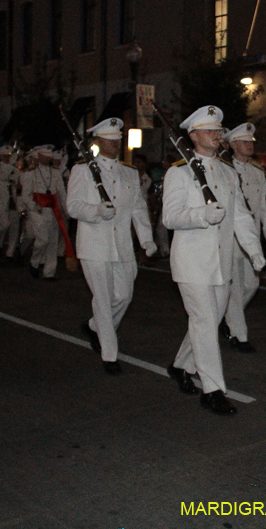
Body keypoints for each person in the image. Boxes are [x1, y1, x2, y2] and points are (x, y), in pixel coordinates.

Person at [162, 105, 265, 415]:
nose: (216, 134)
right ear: (193, 136)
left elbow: (241, 217)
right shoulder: (178, 171)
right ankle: (213, 389)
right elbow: (170, 217)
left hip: (221, 261)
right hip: (192, 262)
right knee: (206, 322)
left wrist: (254, 250)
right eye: (209, 130)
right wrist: (200, 216)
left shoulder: (226, 171)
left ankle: (180, 365)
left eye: (218, 129)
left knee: (209, 321)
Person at [67, 118, 157, 375]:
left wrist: (146, 240)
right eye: (110, 138)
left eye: (118, 138)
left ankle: (95, 326)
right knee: (104, 299)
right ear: (97, 141)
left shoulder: (129, 172)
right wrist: (96, 211)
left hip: (123, 246)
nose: (115, 143)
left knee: (124, 295)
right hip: (94, 244)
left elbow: (138, 209)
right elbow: (72, 207)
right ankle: (109, 354)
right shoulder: (83, 170)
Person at [221, 122, 266, 353]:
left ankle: (226, 317)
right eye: (244, 142)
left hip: (251, 238)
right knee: (234, 288)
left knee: (252, 283)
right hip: (231, 238)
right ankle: (239, 335)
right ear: (233, 145)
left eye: (251, 142)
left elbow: (263, 208)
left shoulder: (257, 172)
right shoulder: (223, 169)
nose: (249, 145)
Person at [21, 145, 67, 280]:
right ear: (38, 156)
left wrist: (66, 210)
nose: (47, 158)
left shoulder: (56, 173)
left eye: (49, 156)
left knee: (53, 241)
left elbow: (62, 193)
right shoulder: (30, 174)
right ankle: (34, 261)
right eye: (44, 156)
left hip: (53, 210)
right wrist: (32, 206)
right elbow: (25, 195)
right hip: (38, 210)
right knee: (42, 239)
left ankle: (49, 272)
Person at [0, 145, 21, 259]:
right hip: (0, 200)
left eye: (8, 156)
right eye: (4, 156)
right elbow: (3, 177)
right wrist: (10, 167)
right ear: (0, 157)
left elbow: (18, 184)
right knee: (4, 224)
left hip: (12, 200)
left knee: (14, 227)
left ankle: (10, 252)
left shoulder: (15, 170)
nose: (7, 158)